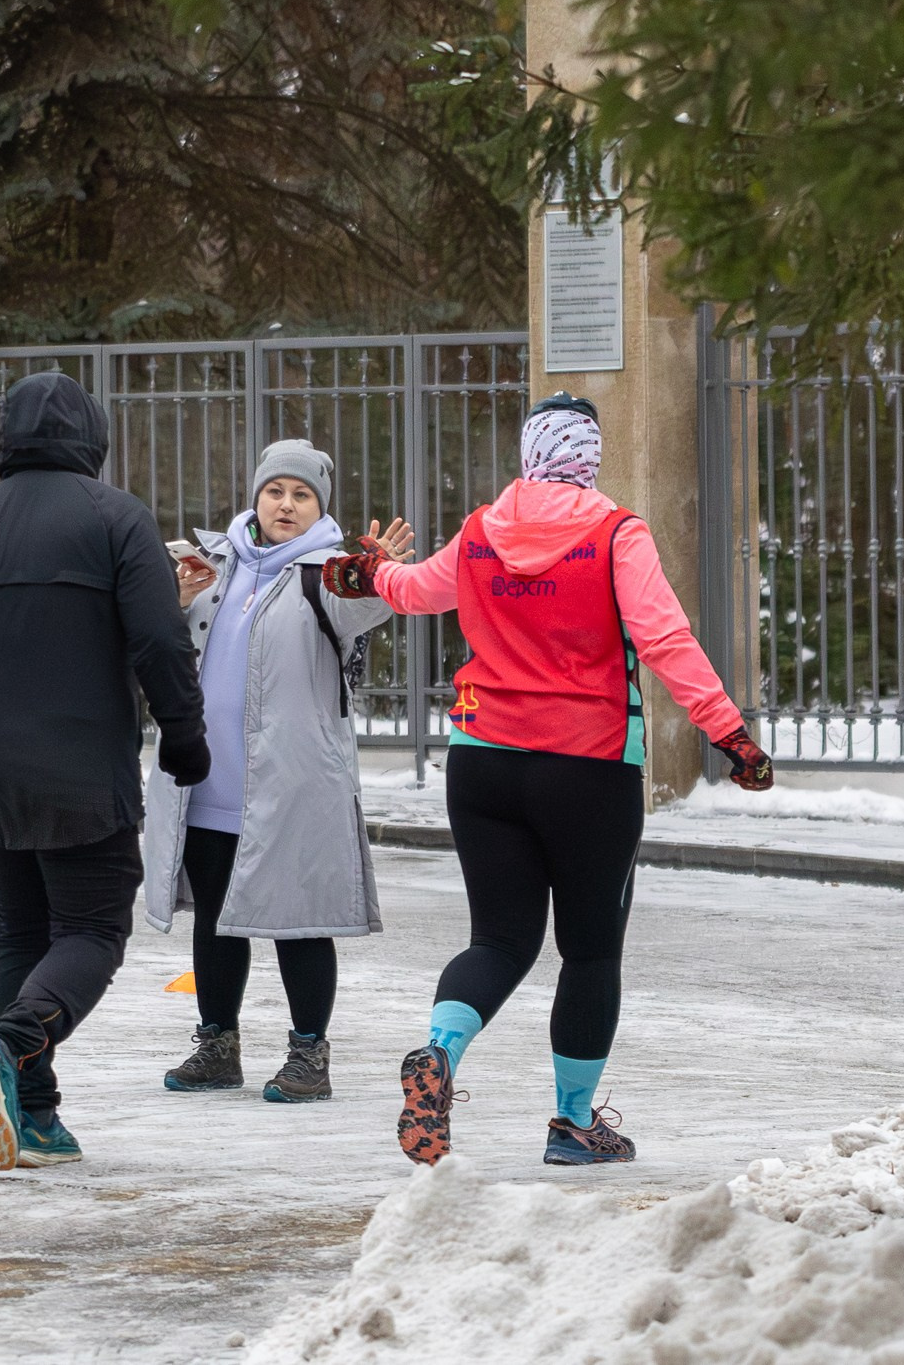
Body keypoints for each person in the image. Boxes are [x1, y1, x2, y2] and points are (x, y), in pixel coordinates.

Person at [325, 391, 774, 1169]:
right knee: (590, 952)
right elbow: (664, 639)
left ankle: (438, 1050)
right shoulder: (615, 534)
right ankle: (572, 1125)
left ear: (527, 454)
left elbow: (414, 590)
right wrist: (730, 734)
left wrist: (372, 572)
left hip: (482, 764)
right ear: (589, 458)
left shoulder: (479, 532)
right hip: (588, 771)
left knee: (498, 938)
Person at [0, 372, 209, 1172]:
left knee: (20, 929)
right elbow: (160, 640)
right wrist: (184, 733)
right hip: (81, 759)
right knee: (93, 926)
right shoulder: (116, 518)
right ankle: (12, 1043)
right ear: (91, 439)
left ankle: (32, 1110)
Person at [141, 442, 414, 1103]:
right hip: (208, 780)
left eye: (301, 494)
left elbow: (365, 606)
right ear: (256, 497)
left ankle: (308, 1054)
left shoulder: (330, 573)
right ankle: (217, 1045)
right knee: (214, 917)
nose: (285, 504)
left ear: (319, 508)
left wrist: (376, 574)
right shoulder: (212, 564)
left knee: (299, 920)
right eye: (275, 491)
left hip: (292, 783)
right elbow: (164, 644)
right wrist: (171, 600)